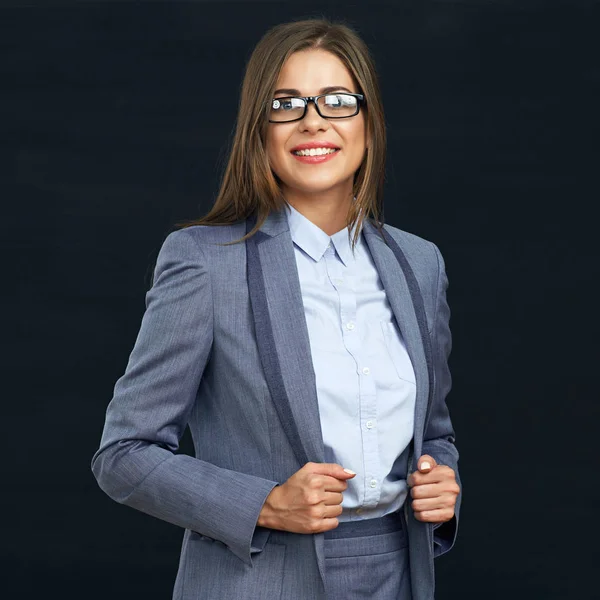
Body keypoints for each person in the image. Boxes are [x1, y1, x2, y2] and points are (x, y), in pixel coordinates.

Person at [91, 18, 462, 600]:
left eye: (337, 101)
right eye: (285, 103)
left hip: (397, 574)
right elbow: (123, 456)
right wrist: (264, 503)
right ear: (259, 129)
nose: (313, 120)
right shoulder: (204, 263)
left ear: (369, 122)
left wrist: (442, 481)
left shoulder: (419, 263)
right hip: (259, 580)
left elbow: (435, 434)